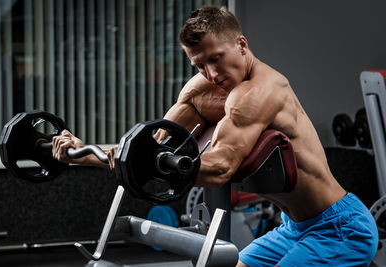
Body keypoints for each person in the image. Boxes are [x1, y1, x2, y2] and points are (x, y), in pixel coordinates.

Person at [52, 6, 378, 266]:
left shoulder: (263, 91)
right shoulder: (202, 91)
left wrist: (152, 163)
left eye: (215, 59)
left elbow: (221, 167)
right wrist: (84, 152)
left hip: (339, 229)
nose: (211, 73)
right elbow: (147, 147)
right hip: (293, 228)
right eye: (199, 65)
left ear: (241, 44)